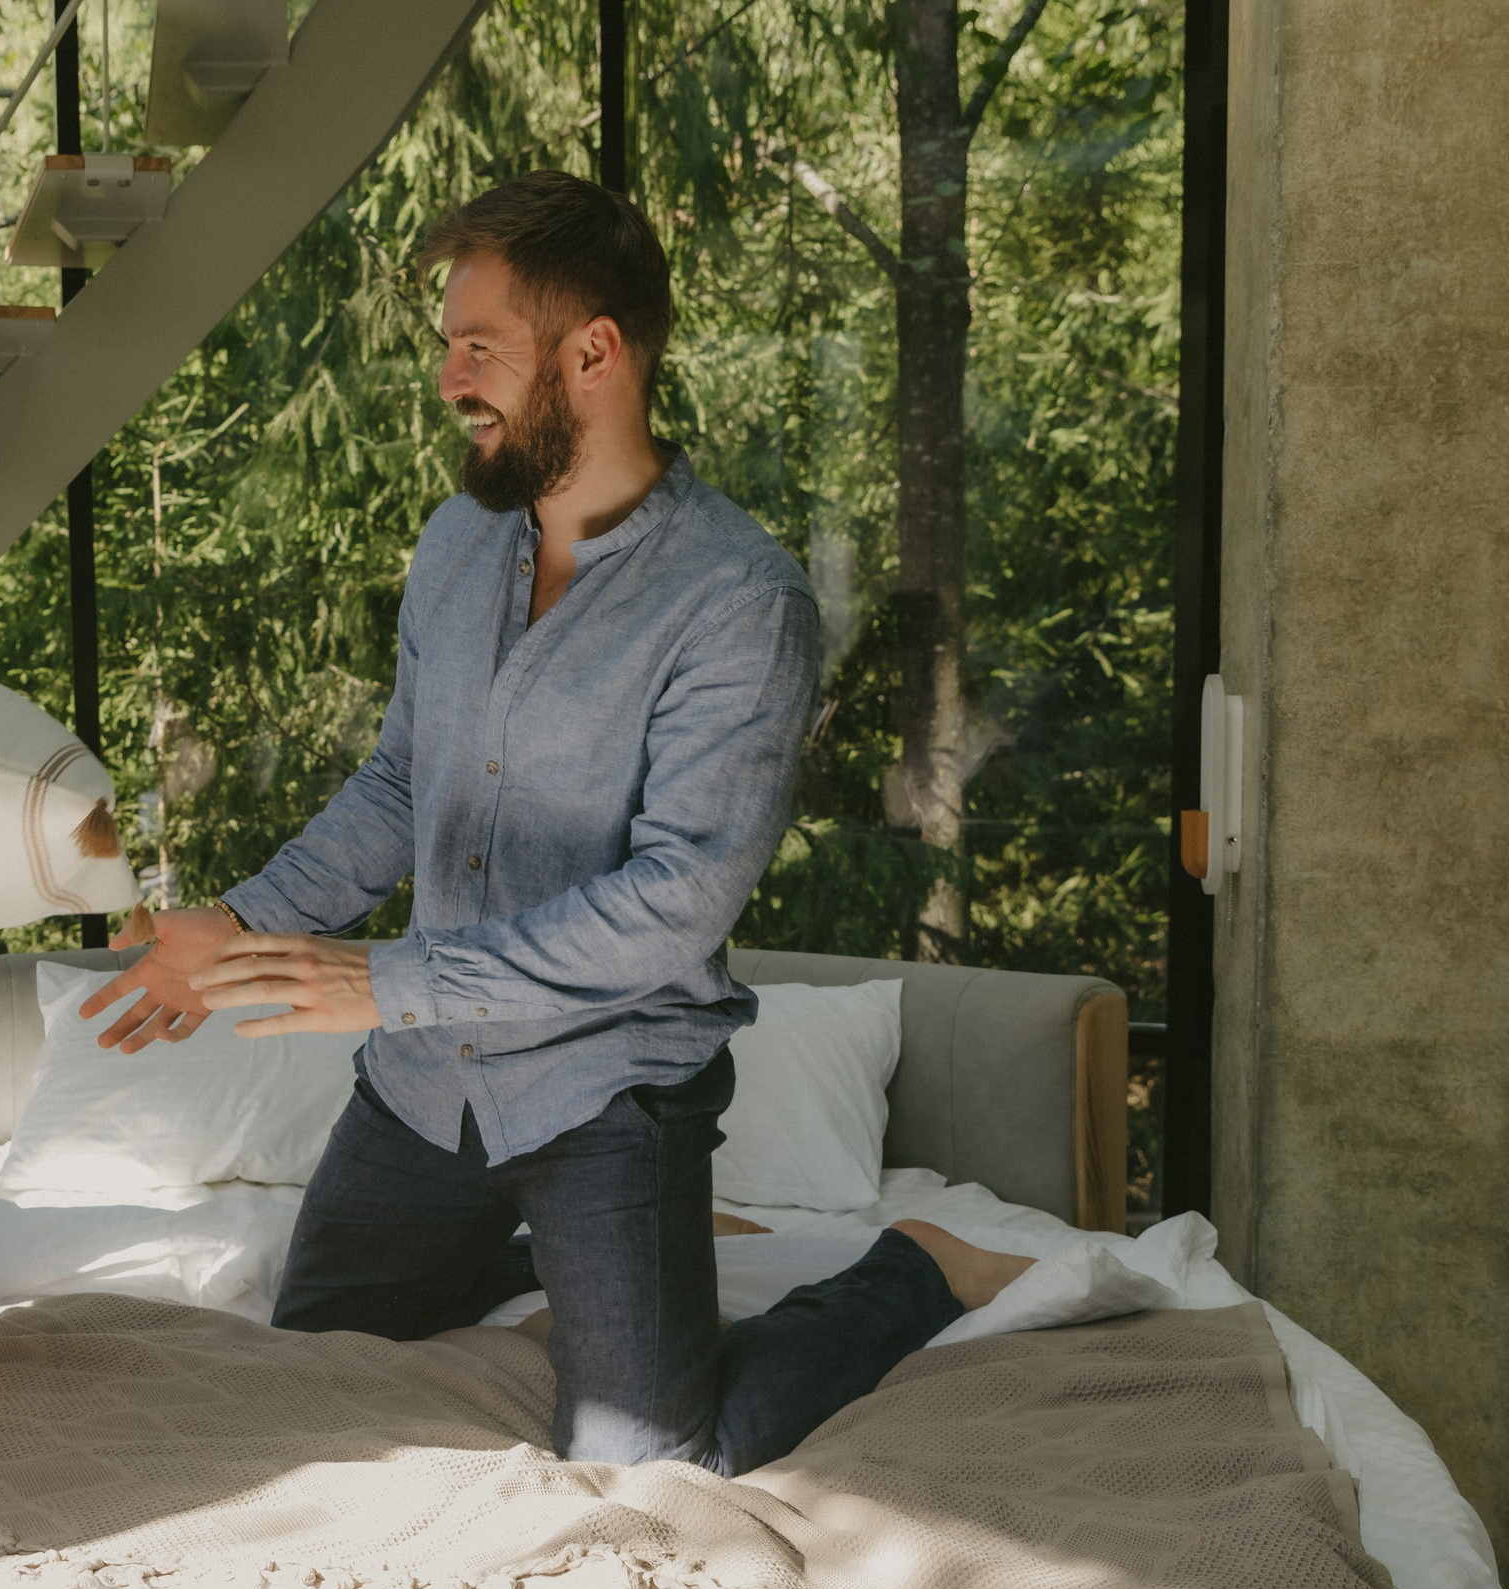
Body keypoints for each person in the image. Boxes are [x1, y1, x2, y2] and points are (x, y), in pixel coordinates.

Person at [81, 171, 1032, 1475]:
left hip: (608, 1093)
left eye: (482, 347)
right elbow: (403, 789)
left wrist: (394, 978)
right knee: (317, 1366)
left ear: (595, 352)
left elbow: (676, 901)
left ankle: (903, 1273)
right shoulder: (456, 547)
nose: (449, 379)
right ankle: (554, 1259)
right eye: (446, 344)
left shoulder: (739, 602)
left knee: (657, 1466)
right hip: (425, 1093)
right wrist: (241, 924)